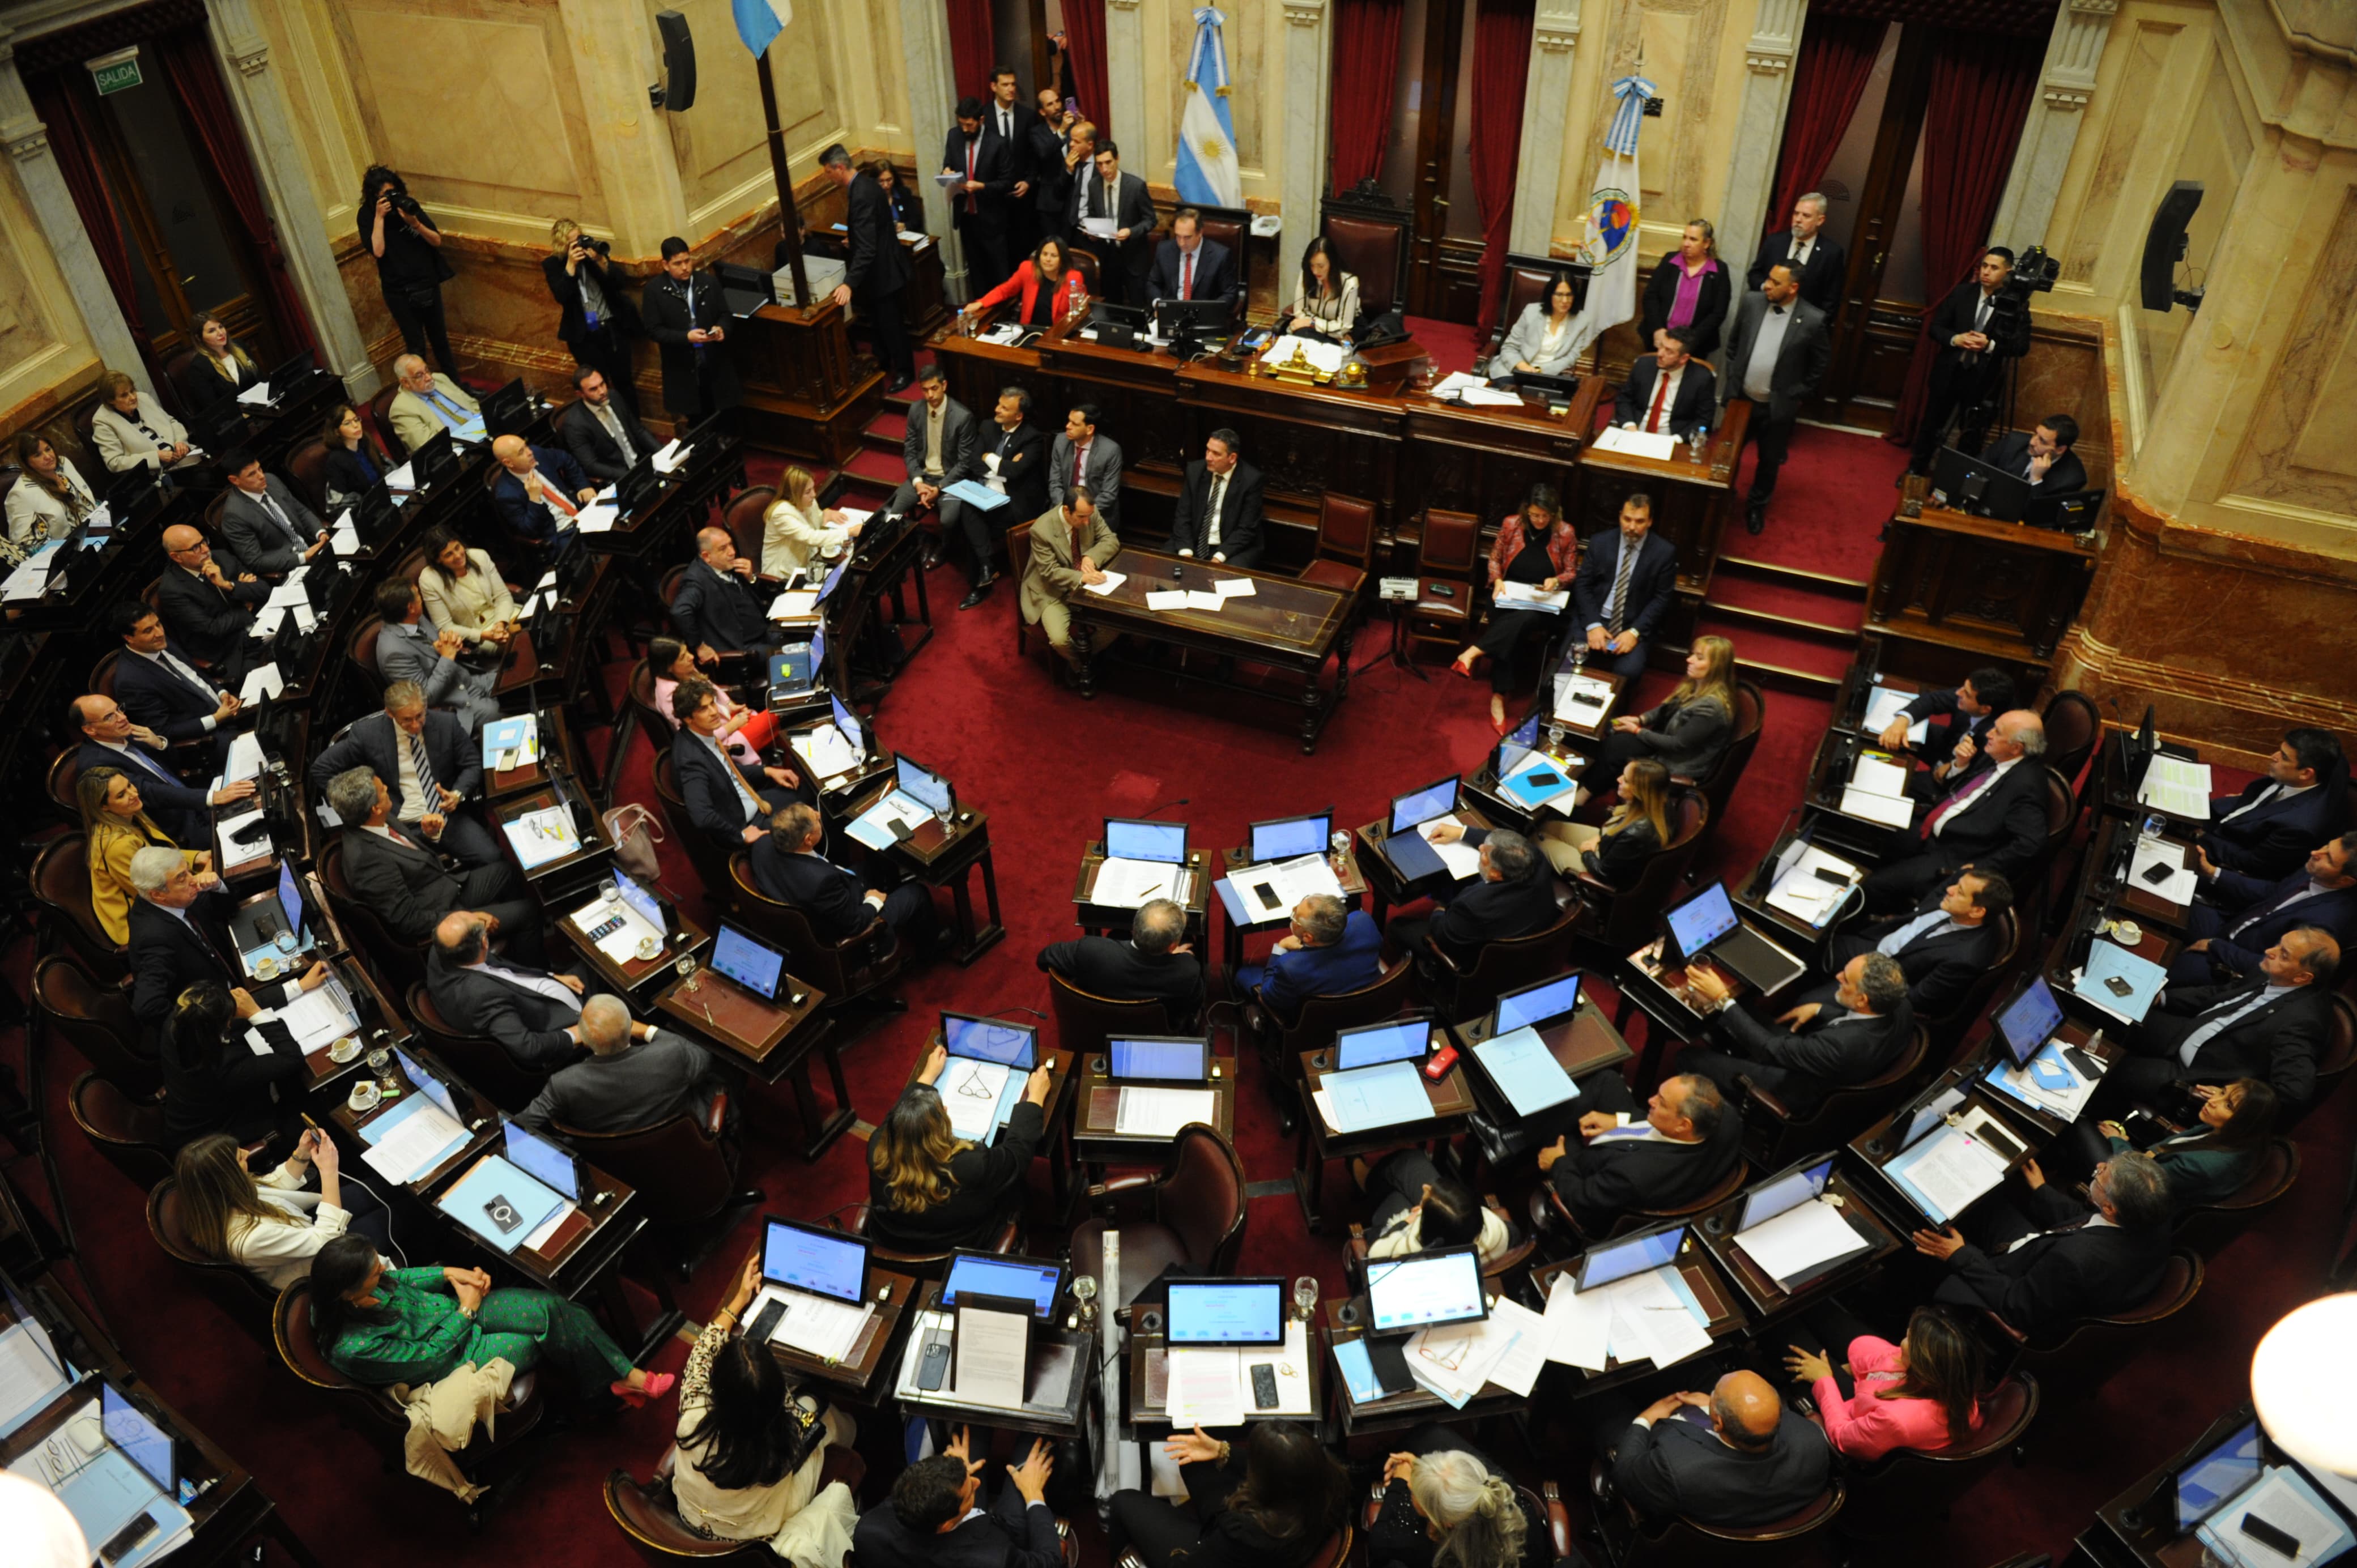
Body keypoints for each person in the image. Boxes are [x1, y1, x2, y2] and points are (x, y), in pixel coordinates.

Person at [308, 1235, 670, 1404]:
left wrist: (456, 1274)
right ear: (347, 1292)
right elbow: (429, 1360)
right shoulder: (352, 1347)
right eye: (373, 1272)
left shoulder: (369, 1281)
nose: (381, 1271)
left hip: (459, 1312)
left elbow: (402, 1277)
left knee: (555, 1309)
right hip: (454, 1364)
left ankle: (620, 1379)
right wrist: (466, 1308)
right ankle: (616, 1383)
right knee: (538, 1339)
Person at [674, 1254, 860, 1558]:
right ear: (778, 1398)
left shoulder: (692, 1411)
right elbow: (797, 1417)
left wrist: (737, 1302)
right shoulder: (781, 1449)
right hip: (758, 1533)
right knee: (825, 1417)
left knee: (812, 1409)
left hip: (692, 1519)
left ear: (716, 1388)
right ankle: (855, 1436)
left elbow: (703, 1351)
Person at [1913, 1149, 2172, 1338]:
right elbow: (2088, 1222)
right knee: (1988, 1203)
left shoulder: (2073, 1261)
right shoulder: (2155, 1216)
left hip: (2014, 1285)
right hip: (2043, 1257)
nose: (2099, 1165)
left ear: (2110, 1207)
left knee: (1921, 1254)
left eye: (2101, 1174)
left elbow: (2015, 1306)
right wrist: (2042, 1190)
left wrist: (1960, 1255)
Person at [2099, 928, 2336, 1117]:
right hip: (2187, 1032)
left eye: (2283, 954)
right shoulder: (2275, 971)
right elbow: (2219, 994)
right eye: (2278, 944)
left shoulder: (2303, 1023)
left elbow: (2294, 1092)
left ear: (2303, 977)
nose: (2269, 951)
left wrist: (2235, 1098)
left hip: (2194, 1076)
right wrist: (2161, 997)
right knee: (2114, 1013)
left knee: (2109, 1065)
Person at [125, 847, 331, 1047]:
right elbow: (148, 1007)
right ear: (158, 895)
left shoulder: (174, 898)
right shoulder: (153, 938)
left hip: (239, 976)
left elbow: (225, 909)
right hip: (226, 1016)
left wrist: (217, 887)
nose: (193, 879)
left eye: (188, 871)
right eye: (182, 878)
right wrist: (209, 1023)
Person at [327, 767, 542, 957]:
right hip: (442, 912)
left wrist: (428, 835)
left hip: (447, 886)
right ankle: (534, 976)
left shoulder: (374, 818)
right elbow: (410, 921)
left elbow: (401, 851)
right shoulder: (367, 861)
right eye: (383, 790)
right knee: (529, 912)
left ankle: (518, 944)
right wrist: (466, 918)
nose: (386, 789)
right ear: (374, 808)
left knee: (508, 872)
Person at [1861, 709, 2050, 911]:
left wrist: (1980, 869)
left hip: (1951, 854)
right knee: (1864, 828)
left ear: (2016, 748)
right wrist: (1960, 764)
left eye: (1998, 732)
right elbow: (1956, 789)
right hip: (1928, 828)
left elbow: (2030, 843)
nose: (1989, 733)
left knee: (1873, 886)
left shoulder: (2027, 785)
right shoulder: (1998, 754)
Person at [1680, 951, 1914, 1115]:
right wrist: (1821, 1009)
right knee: (1746, 1012)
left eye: (1846, 979)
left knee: (1689, 1056)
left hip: (1794, 1086)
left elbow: (1768, 1050)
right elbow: (1862, 1023)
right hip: (1824, 1057)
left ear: (1863, 999)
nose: (1838, 977)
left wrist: (1722, 999)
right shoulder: (1900, 1004)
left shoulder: (1840, 1047)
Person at [866, 1049, 1050, 1252]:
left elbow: (899, 1115)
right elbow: (1017, 1156)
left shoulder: (878, 1148)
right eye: (942, 1111)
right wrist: (1035, 1098)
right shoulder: (970, 1164)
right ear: (942, 1125)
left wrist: (928, 1075)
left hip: (892, 1242)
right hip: (958, 1249)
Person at [309, 679, 499, 867]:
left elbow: (472, 763)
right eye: (407, 720)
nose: (416, 726)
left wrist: (457, 794)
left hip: (447, 816)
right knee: (418, 881)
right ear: (390, 713)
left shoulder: (446, 724)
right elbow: (321, 768)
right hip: (402, 827)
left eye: (420, 716)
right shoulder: (368, 735)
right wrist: (358, 807)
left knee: (493, 857)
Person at [1108, 1420, 1347, 1568]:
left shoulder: (1244, 1535)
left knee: (1122, 1501)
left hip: (1218, 1553)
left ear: (1266, 1485)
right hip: (1276, 1546)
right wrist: (1223, 1451)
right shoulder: (1328, 1481)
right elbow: (1280, 1466)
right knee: (1193, 1463)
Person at [174, 1128, 389, 1290]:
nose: (246, 1154)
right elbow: (325, 1240)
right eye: (239, 1158)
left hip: (307, 1232)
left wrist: (302, 1153)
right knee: (396, 1213)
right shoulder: (248, 1240)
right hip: (330, 1265)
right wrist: (329, 1171)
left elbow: (273, 1185)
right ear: (227, 1179)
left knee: (383, 1186)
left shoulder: (220, 1199)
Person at [1609, 1372, 1832, 1528]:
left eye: (1714, 1396)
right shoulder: (1812, 1440)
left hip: (1695, 1524)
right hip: (1767, 1517)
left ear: (1717, 1424)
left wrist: (1646, 1418)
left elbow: (1625, 1472)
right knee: (1703, 1371)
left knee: (1605, 1404)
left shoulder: (1677, 1468)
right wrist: (1712, 1406)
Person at [1788, 871, 2011, 1021]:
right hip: (1876, 945)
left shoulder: (1965, 959)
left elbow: (1916, 1000)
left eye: (1960, 892)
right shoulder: (1953, 901)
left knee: (1805, 1004)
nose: (1950, 890)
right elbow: (1939, 890)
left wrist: (1863, 990)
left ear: (1977, 912)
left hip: (1878, 981)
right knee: (1805, 941)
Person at [1537, 1072, 1739, 1235]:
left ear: (1683, 1125)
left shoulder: (1633, 1175)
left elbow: (1581, 1201)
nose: (1651, 1101)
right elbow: (1655, 1121)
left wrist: (1559, 1162)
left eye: (1661, 1102)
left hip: (1595, 1168)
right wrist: (1622, 1121)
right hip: (1639, 1143)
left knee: (1553, 1131)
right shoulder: (1729, 1120)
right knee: (1609, 1081)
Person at [1449, 486, 1578, 729]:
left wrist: (1557, 581)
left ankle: (1473, 655)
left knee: (1523, 619)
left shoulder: (1566, 532)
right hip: (1509, 594)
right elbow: (1495, 557)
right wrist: (1497, 580)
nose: (1540, 520)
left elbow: (1571, 571)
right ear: (1526, 511)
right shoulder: (1512, 525)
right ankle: (1498, 696)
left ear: (1554, 514)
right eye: (1535, 515)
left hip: (1543, 603)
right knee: (1510, 625)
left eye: (1545, 516)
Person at [1782, 1306, 1982, 1463]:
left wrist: (1824, 1379)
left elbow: (1842, 1436)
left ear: (1923, 1366)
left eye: (1910, 1339)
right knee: (1815, 1307)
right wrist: (1854, 1368)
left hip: (1852, 1413)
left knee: (1785, 1327)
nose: (1905, 1337)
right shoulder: (1957, 1380)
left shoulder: (1894, 1420)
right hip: (1877, 1387)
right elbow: (1890, 1357)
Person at [515, 994, 726, 1136]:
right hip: (685, 1143)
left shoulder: (564, 1084)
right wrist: (647, 1031)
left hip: (618, 1164)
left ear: (586, 1041)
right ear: (630, 1028)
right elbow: (704, 1059)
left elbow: (521, 1126)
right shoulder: (672, 1053)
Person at [1721, 262, 1832, 534]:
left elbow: (1820, 362)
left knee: (1769, 461)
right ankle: (1722, 498)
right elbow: (1734, 344)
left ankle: (1756, 506)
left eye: (1775, 282)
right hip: (1741, 400)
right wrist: (1735, 373)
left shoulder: (1813, 319)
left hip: (1776, 408)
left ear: (1794, 288)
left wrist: (1800, 392)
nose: (1767, 285)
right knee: (1727, 453)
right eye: (1768, 279)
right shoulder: (1752, 302)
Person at [850, 1425, 1060, 1568]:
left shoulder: (868, 1530)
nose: (975, 1482)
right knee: (1036, 1443)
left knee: (972, 1428)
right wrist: (1034, 1495)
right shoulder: (996, 1559)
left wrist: (948, 1470)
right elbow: (1049, 1561)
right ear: (947, 1524)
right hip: (999, 1532)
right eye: (970, 1491)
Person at [2169, 833, 2357, 986]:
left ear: (2345, 881)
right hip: (2230, 926)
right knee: (2167, 902)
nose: (2317, 852)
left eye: (2329, 859)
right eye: (2326, 846)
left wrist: (2215, 946)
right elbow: (2270, 892)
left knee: (2162, 969)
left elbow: (2273, 966)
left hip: (2233, 962)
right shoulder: (2316, 869)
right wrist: (2213, 872)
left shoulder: (2324, 924)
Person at [71, 692, 253, 846]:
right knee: (250, 830)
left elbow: (174, 767)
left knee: (255, 797)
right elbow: (149, 793)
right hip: (177, 827)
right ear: (90, 731)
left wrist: (159, 744)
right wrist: (213, 797)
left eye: (119, 709)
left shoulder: (127, 731)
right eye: (110, 717)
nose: (123, 718)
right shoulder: (95, 765)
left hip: (193, 798)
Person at [1908, 247, 2033, 472]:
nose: (1986, 272)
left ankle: (1954, 479)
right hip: (1948, 373)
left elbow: (2022, 346)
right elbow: (1936, 328)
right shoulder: (1962, 293)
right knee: (1931, 425)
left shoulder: (2016, 306)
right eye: (1984, 266)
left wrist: (1990, 346)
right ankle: (1916, 470)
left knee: (1971, 435)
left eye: (1994, 268)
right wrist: (1956, 339)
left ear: (2008, 271)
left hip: (1982, 381)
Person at [427, 910, 597, 1071]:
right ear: (485, 943)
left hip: (541, 989)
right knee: (603, 965)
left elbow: (504, 970)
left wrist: (552, 977)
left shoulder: (442, 950)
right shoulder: (482, 996)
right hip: (566, 1018)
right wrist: (579, 1033)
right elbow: (529, 1048)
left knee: (593, 960)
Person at [752, 802, 935, 944]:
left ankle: (895, 893)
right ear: (808, 840)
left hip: (817, 895)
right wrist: (873, 901)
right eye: (816, 820)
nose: (819, 815)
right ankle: (931, 946)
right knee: (917, 893)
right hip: (847, 926)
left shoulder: (761, 844)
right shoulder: (822, 882)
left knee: (874, 864)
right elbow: (855, 924)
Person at [1384, 829, 1560, 970]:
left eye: (1484, 855)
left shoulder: (1474, 907)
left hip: (1481, 963)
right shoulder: (1535, 858)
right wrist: (1462, 833)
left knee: (1397, 926)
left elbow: (1443, 936)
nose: (1481, 848)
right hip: (1529, 932)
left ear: (1495, 873)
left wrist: (1440, 910)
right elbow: (1502, 842)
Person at [1363, 1430, 1537, 1568]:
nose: (1410, 1486)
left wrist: (1399, 1482)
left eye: (1415, 1491)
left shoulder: (1417, 1550)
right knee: (1432, 1435)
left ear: (1445, 1522)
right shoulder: (1519, 1509)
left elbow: (1379, 1543)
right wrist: (1424, 1471)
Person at [159, 982, 303, 1148]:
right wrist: (255, 1013)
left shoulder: (181, 1021)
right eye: (228, 1019)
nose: (231, 1021)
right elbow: (292, 1058)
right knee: (299, 1095)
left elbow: (242, 1006)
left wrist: (299, 986)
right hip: (217, 1137)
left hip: (192, 1115)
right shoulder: (222, 1065)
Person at [2092, 1079, 2277, 1208]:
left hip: (2134, 1196)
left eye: (2228, 1105)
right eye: (2222, 1092)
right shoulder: (2234, 1133)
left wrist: (2118, 1142)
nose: (2213, 1101)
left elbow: (2139, 1181)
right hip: (2147, 1167)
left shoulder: (2202, 1166)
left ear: (2244, 1121)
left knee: (2082, 1127)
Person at [820, 144, 916, 391]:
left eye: (828, 172)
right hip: (882, 270)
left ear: (839, 167)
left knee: (892, 326)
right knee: (881, 324)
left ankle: (905, 372)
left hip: (883, 273)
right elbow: (873, 231)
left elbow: (868, 249)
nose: (827, 178)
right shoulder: (864, 185)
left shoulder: (861, 193)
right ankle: (882, 363)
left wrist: (849, 283)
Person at [1591, 634, 1736, 799]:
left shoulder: (1712, 707)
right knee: (1613, 739)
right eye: (1693, 654)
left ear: (1717, 667)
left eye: (1699, 658)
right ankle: (1590, 788)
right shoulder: (1695, 685)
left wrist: (1637, 730)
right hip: (1666, 742)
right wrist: (1640, 720)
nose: (1690, 660)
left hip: (1678, 762)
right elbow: (1666, 709)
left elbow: (1677, 744)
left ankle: (1586, 794)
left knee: (1616, 750)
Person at [80, 764, 211, 946]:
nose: (133, 794)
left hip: (163, 892)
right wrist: (197, 880)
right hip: (140, 924)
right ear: (104, 807)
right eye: (121, 795)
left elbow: (158, 857)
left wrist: (196, 858)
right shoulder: (117, 846)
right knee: (215, 896)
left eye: (129, 786)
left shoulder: (128, 814)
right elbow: (151, 894)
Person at [671, 678, 805, 851]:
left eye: (713, 703)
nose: (714, 712)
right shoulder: (691, 760)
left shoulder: (702, 735)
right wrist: (741, 836)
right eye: (704, 709)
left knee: (805, 789)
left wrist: (768, 771)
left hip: (750, 801)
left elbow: (726, 771)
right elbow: (702, 816)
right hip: (746, 822)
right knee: (811, 817)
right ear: (688, 718)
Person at [2201, 728, 2348, 880]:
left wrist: (2202, 837)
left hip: (2230, 847)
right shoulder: (2326, 762)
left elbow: (2252, 862)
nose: (2273, 757)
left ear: (2306, 774)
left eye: (2284, 757)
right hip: (2238, 812)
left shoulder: (2299, 828)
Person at [1037, 898, 1205, 1028]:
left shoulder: (1091, 950)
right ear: (1173, 946)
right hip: (1152, 1032)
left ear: (1133, 929)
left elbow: (1044, 959)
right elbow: (1191, 1008)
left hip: (1092, 1025)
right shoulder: (1188, 970)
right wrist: (1173, 957)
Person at [1569, 493, 1677, 680]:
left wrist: (1635, 632)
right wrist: (1593, 625)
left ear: (1650, 521)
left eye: (1640, 521)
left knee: (1628, 672)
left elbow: (1662, 598)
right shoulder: (1600, 542)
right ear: (1620, 516)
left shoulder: (1664, 553)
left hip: (1631, 625)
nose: (1632, 527)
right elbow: (1583, 584)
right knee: (1572, 659)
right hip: (1596, 617)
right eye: (1627, 519)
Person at [360, 165, 456, 376]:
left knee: (440, 340)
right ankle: (423, 394)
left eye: (394, 192)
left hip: (426, 282)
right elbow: (378, 250)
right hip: (399, 291)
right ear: (374, 196)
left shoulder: (407, 206)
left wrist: (415, 224)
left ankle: (456, 386)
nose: (392, 198)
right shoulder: (367, 215)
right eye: (385, 195)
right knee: (416, 345)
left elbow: (436, 240)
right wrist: (379, 218)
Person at [960, 386, 1048, 608]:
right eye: (999, 404)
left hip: (1013, 503)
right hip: (985, 491)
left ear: (1018, 416)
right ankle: (986, 568)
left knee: (974, 525)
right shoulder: (988, 426)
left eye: (1004, 408)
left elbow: (1016, 473)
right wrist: (1001, 468)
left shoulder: (1032, 438)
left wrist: (989, 456)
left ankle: (984, 574)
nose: (996, 410)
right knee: (968, 509)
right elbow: (973, 461)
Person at [112, 599, 246, 744]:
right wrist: (216, 719)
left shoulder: (159, 641)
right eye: (148, 631)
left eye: (158, 624)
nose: (159, 633)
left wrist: (222, 693)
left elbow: (196, 674)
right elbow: (162, 732)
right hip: (209, 738)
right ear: (129, 638)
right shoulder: (131, 681)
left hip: (227, 710)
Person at [543, 218, 640, 416]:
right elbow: (562, 296)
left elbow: (618, 283)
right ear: (563, 245)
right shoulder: (554, 265)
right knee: (597, 386)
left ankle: (634, 423)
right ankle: (609, 426)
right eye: (573, 242)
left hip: (612, 329)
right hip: (584, 337)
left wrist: (601, 260)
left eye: (580, 238)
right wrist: (571, 265)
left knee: (624, 382)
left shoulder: (593, 256)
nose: (579, 245)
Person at [375, 579, 500, 732]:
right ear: (411, 607)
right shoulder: (393, 653)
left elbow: (439, 644)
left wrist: (452, 644)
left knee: (513, 681)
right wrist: (447, 657)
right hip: (452, 703)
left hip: (467, 679)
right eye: (418, 595)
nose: (421, 598)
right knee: (498, 711)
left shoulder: (416, 618)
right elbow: (425, 698)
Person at [1237, 893, 1384, 1024]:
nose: (1294, 910)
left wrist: (1280, 948)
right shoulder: (1364, 921)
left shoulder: (1291, 967)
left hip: (1316, 1022)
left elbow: (1268, 997)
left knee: (1244, 974)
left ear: (1308, 937)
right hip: (1366, 1003)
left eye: (1295, 916)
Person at [642, 237, 743, 425]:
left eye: (687, 261)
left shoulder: (707, 282)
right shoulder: (654, 291)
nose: (685, 268)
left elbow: (725, 314)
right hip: (684, 369)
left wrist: (722, 329)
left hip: (714, 362)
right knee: (699, 422)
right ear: (665, 265)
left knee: (728, 418)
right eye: (678, 264)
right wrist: (685, 337)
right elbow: (654, 331)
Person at [885, 367, 977, 572]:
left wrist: (940, 488)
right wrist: (918, 483)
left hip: (951, 480)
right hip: (923, 476)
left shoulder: (963, 417)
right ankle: (910, 545)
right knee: (894, 511)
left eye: (934, 388)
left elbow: (964, 464)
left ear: (944, 386)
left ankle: (945, 549)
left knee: (949, 519)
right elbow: (909, 451)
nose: (930, 395)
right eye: (925, 390)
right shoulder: (916, 410)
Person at [1020, 484, 1120, 668]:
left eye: (1089, 517)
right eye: (1081, 518)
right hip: (1051, 591)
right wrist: (1081, 578)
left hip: (1084, 590)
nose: (1087, 523)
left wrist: (1091, 556)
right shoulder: (1042, 530)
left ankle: (1085, 660)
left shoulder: (1089, 512)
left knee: (1114, 627)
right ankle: (1080, 666)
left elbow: (1111, 540)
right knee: (1059, 640)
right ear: (1067, 510)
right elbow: (1050, 572)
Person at [154, 522, 268, 676]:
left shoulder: (221, 558)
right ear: (176, 557)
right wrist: (245, 606)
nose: (206, 550)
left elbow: (264, 590)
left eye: (203, 542)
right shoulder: (173, 591)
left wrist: (228, 585)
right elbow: (213, 629)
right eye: (195, 548)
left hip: (260, 624)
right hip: (231, 650)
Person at [1533, 759, 1670, 887]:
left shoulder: (1636, 834)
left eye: (1626, 780)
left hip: (1596, 868)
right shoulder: (1656, 802)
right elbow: (1617, 828)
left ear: (1640, 792)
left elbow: (1604, 873)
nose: (1619, 779)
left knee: (1536, 840)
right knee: (1546, 827)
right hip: (1607, 843)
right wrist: (1597, 839)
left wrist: (1587, 852)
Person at [1360, 1157, 1512, 1264]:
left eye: (1424, 1205)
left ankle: (1366, 1179)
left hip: (1388, 1230)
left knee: (1400, 1184)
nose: (1425, 1187)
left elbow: (1374, 1253)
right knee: (1410, 1165)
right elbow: (1514, 1233)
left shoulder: (1401, 1255)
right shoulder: (1497, 1234)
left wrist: (1405, 1222)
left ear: (1426, 1231)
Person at [648, 636, 775, 764]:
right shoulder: (671, 695)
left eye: (687, 651)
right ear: (668, 667)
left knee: (779, 720)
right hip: (723, 742)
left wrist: (730, 705)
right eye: (682, 657)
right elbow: (698, 738)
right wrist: (733, 725)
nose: (691, 657)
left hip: (727, 721)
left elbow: (709, 686)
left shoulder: (683, 671)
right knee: (779, 713)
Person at [1874, 667, 2015, 774]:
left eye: (1966, 694)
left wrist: (1952, 767)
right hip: (1947, 743)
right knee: (1890, 732)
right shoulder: (1972, 696)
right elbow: (1933, 700)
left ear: (1985, 709)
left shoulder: (1993, 739)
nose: (1958, 693)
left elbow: (1968, 779)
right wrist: (1901, 722)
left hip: (1953, 776)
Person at [942, 97, 1015, 295]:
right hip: (966, 217)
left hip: (991, 219)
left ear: (981, 120)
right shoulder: (954, 136)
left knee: (999, 273)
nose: (965, 129)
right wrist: (947, 171)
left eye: (969, 124)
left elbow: (1008, 182)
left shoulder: (998, 143)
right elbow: (948, 163)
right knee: (976, 272)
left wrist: (982, 186)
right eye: (961, 124)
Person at [489, 432, 596, 565]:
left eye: (526, 446)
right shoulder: (507, 494)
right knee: (590, 563)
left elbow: (566, 459)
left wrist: (583, 486)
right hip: (561, 535)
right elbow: (528, 530)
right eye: (521, 452)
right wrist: (535, 500)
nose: (529, 452)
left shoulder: (537, 454)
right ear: (509, 463)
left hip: (583, 514)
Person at [217, 447, 327, 574]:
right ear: (234, 480)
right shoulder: (234, 516)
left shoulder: (271, 481)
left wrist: (320, 532)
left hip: (313, 546)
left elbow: (300, 511)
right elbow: (256, 561)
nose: (261, 476)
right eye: (252, 474)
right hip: (290, 568)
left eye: (259, 469)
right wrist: (304, 557)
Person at [673, 527, 778, 661]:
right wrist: (700, 646)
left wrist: (751, 578)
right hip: (744, 647)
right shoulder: (696, 581)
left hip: (765, 629)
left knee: (805, 639)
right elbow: (680, 611)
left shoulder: (726, 564)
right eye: (723, 549)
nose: (732, 552)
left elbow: (756, 598)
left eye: (731, 544)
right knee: (795, 657)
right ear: (707, 556)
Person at [1070, 139, 1154, 303]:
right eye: (1099, 164)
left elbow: (1151, 220)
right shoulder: (1094, 185)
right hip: (1108, 256)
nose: (1105, 169)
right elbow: (1093, 214)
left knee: (1138, 305)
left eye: (1108, 162)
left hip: (1133, 257)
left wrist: (1131, 232)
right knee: (1112, 306)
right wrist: (1092, 233)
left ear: (1117, 159)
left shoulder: (1136, 186)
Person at [1169, 428, 1266, 568]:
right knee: (1166, 569)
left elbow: (1247, 529)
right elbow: (1182, 517)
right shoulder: (1195, 471)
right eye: (1208, 450)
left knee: (1221, 580)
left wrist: (1217, 559)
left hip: (1232, 548)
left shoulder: (1251, 480)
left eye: (1216, 454)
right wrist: (1186, 554)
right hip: (1193, 542)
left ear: (1232, 458)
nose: (1208, 457)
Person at [416, 525, 519, 653]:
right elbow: (445, 627)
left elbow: (502, 596)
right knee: (517, 644)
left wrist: (500, 624)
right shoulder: (429, 580)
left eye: (458, 547)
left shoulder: (480, 556)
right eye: (449, 554)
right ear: (438, 560)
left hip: (503, 614)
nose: (458, 555)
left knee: (534, 627)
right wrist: (483, 635)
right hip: (477, 634)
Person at [1639, 219, 1732, 359]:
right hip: (1660, 340)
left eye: (1693, 239)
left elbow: (1718, 313)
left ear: (1707, 243)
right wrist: (1658, 330)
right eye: (1685, 237)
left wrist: (1689, 342)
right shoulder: (1670, 261)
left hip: (1694, 347)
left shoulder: (1719, 270)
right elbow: (1651, 296)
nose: (1686, 244)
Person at [1745, 191, 1847, 315]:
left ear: (1820, 220)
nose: (1798, 220)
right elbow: (1754, 274)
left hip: (1801, 324)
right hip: (1767, 312)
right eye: (1796, 213)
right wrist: (1766, 286)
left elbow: (1831, 299)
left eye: (1806, 216)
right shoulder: (1775, 242)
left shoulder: (1831, 253)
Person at [556, 365, 660, 484]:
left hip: (640, 461)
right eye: (593, 389)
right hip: (617, 475)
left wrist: (663, 452)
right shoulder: (575, 424)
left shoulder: (614, 397)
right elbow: (591, 465)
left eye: (602, 384)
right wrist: (631, 475)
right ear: (580, 394)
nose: (602, 392)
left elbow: (638, 431)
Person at [964, 235, 1090, 330]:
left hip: (1057, 334)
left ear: (1062, 260)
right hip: (1029, 330)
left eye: (1054, 256)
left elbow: (1079, 311)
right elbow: (1005, 290)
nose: (1047, 259)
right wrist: (982, 302)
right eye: (1044, 254)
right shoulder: (1027, 269)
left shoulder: (1074, 278)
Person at [1611, 329, 1718, 441]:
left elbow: (1704, 419)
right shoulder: (1643, 365)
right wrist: (1629, 426)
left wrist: (1677, 440)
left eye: (1669, 351)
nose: (1660, 354)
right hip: (1635, 431)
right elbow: (1624, 399)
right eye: (1661, 346)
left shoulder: (1701, 379)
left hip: (1673, 438)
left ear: (1684, 359)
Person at [759, 466, 862, 582]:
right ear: (794, 494)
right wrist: (849, 532)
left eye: (813, 488)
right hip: (783, 577)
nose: (814, 494)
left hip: (809, 565)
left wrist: (825, 515)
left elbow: (818, 524)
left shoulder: (809, 502)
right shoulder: (781, 514)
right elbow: (811, 536)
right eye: (808, 492)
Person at [5, 433, 97, 561]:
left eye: (48, 449)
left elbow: (88, 502)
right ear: (27, 463)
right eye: (38, 455)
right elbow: (25, 547)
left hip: (95, 534)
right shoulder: (20, 494)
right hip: (66, 557)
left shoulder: (64, 464)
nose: (48, 457)